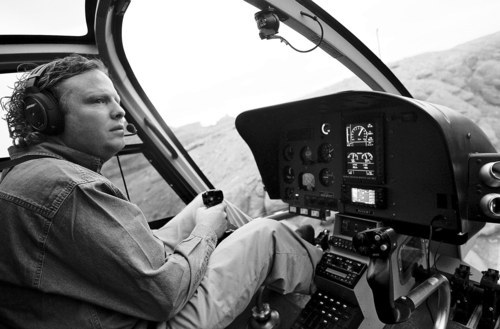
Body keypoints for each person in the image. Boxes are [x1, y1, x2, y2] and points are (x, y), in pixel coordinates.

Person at [0, 54, 323, 329]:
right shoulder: (69, 188)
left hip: (110, 305)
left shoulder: (28, 177)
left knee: (209, 203)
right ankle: (331, 272)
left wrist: (206, 224)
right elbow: (164, 295)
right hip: (148, 320)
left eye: (116, 100)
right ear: (44, 117)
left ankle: (294, 250)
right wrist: (208, 232)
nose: (119, 112)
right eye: (98, 100)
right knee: (263, 235)